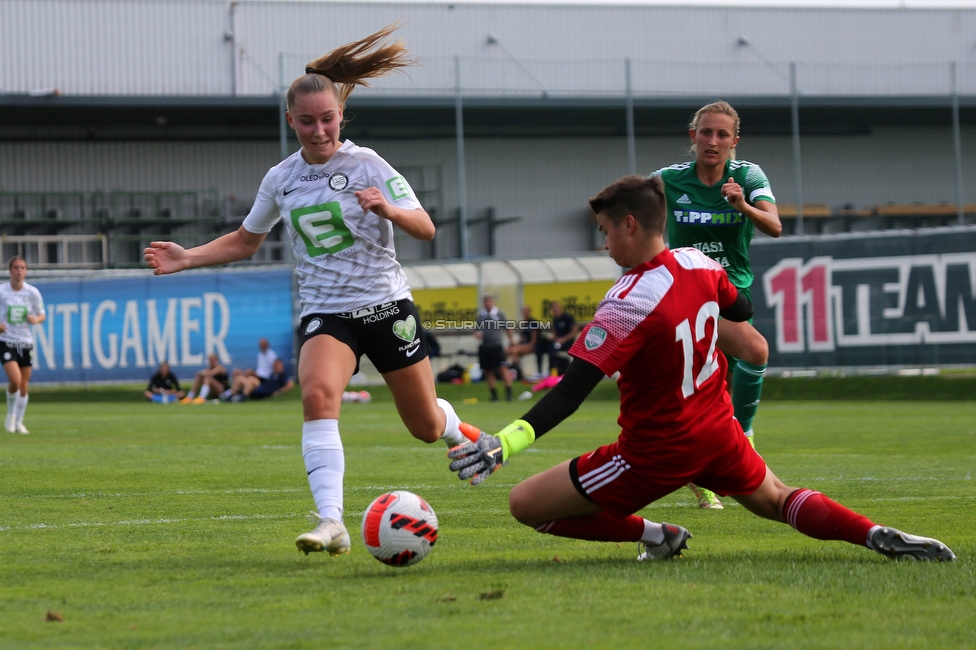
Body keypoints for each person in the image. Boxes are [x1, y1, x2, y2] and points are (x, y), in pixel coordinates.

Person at [448, 175, 954, 564]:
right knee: (777, 499)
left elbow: (572, 391)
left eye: (605, 232)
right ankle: (870, 533)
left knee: (526, 505)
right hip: (718, 431)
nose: (604, 245)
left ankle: (658, 535)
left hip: (654, 450)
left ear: (629, 225)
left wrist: (504, 442)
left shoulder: (625, 302)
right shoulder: (700, 264)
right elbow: (743, 311)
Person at [144, 23, 477, 558]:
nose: (318, 130)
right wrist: (188, 257)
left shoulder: (369, 164)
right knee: (318, 396)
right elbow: (245, 240)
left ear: (341, 116)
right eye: (307, 121)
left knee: (422, 426)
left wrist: (389, 208)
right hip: (328, 313)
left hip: (387, 307)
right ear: (290, 121)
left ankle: (456, 426)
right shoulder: (281, 178)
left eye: (327, 119)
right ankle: (331, 522)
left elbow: (425, 227)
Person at [651, 100, 782, 509]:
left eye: (722, 134)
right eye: (705, 132)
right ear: (693, 137)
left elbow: (775, 226)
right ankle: (744, 438)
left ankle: (700, 471)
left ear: (734, 142)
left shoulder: (748, 176)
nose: (713, 140)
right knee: (756, 349)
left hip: (734, 292)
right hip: (690, 290)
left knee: (716, 391)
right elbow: (626, 210)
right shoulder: (666, 180)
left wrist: (741, 206)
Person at [0, 256, 46, 434]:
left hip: (25, 341)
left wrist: (35, 319)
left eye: (22, 268)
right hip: (6, 341)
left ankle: (19, 422)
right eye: (16, 267)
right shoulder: (2, 291)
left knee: (24, 385)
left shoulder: (32, 292)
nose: (19, 271)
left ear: (26, 271)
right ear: (10, 270)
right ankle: (11, 415)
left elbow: (42, 314)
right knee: (15, 380)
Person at [475, 294, 515, 402]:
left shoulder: (499, 314)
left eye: (490, 301)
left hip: (497, 346)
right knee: (488, 371)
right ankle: (494, 395)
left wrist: (511, 341)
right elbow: (477, 330)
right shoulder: (481, 316)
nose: (488, 303)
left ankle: (509, 394)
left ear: (493, 302)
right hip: (485, 347)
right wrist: (478, 335)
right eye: (486, 302)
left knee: (503, 369)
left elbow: (507, 328)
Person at [227, 358, 295, 402]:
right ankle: (230, 396)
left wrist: (279, 392)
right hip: (260, 387)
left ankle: (242, 397)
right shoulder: (271, 374)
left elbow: (290, 385)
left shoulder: (282, 375)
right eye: (275, 365)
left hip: (264, 391)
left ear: (282, 366)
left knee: (251, 379)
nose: (276, 366)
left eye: (278, 365)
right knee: (239, 378)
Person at [506, 304, 544, 379]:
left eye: (526, 310)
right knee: (507, 350)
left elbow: (534, 340)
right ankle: (503, 371)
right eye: (523, 310)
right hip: (524, 345)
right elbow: (522, 337)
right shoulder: (524, 323)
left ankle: (515, 371)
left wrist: (525, 347)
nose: (524, 312)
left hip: (532, 346)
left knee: (515, 351)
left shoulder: (533, 322)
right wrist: (515, 343)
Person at [547, 300, 579, 376]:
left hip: (567, 341)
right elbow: (555, 331)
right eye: (553, 309)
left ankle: (565, 370)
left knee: (557, 350)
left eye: (556, 308)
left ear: (561, 308)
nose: (555, 310)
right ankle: (552, 371)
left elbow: (575, 330)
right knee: (548, 348)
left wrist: (564, 339)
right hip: (558, 342)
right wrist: (553, 338)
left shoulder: (567, 318)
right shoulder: (555, 319)